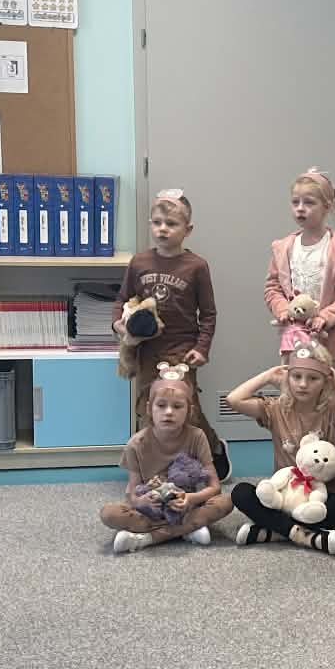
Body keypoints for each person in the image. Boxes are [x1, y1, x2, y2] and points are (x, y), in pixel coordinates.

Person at [113, 186, 225, 478]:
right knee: (150, 407)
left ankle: (212, 448)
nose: (163, 229)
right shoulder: (139, 262)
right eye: (157, 222)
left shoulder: (196, 266)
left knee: (183, 406)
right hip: (146, 350)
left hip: (182, 350)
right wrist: (117, 324)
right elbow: (122, 300)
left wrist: (202, 347)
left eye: (171, 224)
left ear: (188, 229)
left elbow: (208, 313)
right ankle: (156, 462)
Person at [223, 342, 335, 555]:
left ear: (325, 381)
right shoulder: (275, 408)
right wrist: (268, 375)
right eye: (296, 376)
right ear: (287, 377)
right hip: (285, 495)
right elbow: (233, 399)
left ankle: (275, 531)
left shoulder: (333, 412)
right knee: (240, 493)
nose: (303, 384)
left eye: (313, 378)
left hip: (321, 496)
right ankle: (303, 534)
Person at [100, 367, 233, 553]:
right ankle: (188, 529)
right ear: (149, 408)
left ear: (189, 411)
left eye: (177, 406)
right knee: (109, 513)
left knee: (226, 501)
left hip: (185, 507)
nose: (169, 412)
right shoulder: (135, 444)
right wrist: (142, 502)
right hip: (152, 510)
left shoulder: (197, 436)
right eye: (161, 405)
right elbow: (132, 493)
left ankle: (147, 538)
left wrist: (191, 498)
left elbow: (214, 486)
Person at [264, 166, 335, 372]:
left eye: (309, 202)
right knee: (293, 385)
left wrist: (325, 317)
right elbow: (272, 287)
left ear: (327, 206)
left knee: (328, 389)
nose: (300, 208)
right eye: (295, 202)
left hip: (329, 343)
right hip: (293, 341)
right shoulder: (283, 248)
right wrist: (283, 309)